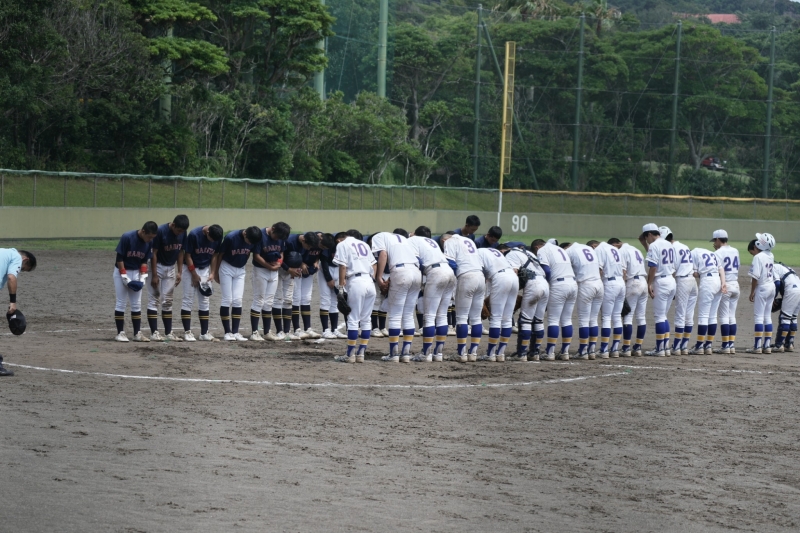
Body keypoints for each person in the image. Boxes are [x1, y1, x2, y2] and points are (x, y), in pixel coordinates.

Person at [407, 226, 456, 362]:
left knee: (429, 317)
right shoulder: (432, 241)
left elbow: (418, 262)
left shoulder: (412, 240)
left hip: (435, 272)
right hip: (449, 271)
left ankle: (426, 353)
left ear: (415, 233)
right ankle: (438, 353)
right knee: (442, 315)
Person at [373, 229, 422, 362]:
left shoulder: (379, 236)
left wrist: (379, 277)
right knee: (408, 314)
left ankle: (393, 354)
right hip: (416, 271)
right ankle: (406, 353)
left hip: (400, 271)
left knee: (395, 314)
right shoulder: (403, 239)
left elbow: (383, 254)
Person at [211, 226, 264, 341]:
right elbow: (220, 254)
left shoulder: (253, 239)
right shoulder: (231, 237)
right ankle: (227, 332)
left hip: (240, 269)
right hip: (227, 267)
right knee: (227, 299)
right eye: (249, 241)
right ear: (245, 234)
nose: (249, 244)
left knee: (238, 300)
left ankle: (235, 332)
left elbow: (251, 253)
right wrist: (216, 272)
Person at [333, 229, 377, 363]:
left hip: (356, 282)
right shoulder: (364, 244)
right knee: (366, 319)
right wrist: (371, 279)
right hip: (370, 282)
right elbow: (374, 264)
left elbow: (342, 266)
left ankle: (350, 354)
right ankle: (361, 353)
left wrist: (341, 287)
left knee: (352, 319)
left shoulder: (343, 244)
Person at [442, 233, 486, 362]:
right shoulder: (468, 241)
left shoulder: (450, 241)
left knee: (461, 318)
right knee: (476, 318)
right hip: (480, 276)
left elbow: (451, 263)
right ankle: (473, 353)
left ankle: (461, 353)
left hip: (467, 277)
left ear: (445, 239)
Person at [146, 215, 190, 341]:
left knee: (168, 301)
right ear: (173, 225)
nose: (180, 233)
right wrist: (154, 275)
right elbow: (154, 253)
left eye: (182, 231)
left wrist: (179, 271)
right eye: (178, 230)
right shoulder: (161, 231)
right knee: (154, 299)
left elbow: (180, 252)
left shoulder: (183, 232)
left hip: (170, 268)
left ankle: (168, 333)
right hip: (157, 266)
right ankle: (154, 333)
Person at [114, 221, 157, 343]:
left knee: (136, 304)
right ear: (143, 231)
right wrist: (124, 275)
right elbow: (119, 258)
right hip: (121, 271)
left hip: (136, 272)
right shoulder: (127, 237)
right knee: (121, 302)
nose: (150, 240)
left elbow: (144, 260)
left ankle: (137, 333)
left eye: (152, 237)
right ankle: (120, 333)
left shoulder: (149, 242)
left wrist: (143, 276)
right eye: (149, 237)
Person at [179, 224, 224, 341]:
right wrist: (194, 274)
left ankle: (204, 333)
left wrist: (212, 272)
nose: (213, 242)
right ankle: (187, 332)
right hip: (190, 269)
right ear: (207, 232)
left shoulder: (217, 236)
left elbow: (214, 255)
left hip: (204, 269)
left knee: (205, 300)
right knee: (188, 299)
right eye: (211, 239)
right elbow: (187, 255)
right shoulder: (194, 235)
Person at [504, 242, 548, 361]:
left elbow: (514, 272)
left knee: (525, 320)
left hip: (534, 285)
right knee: (538, 320)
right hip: (545, 284)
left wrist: (511, 292)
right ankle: (534, 353)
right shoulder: (528, 253)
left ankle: (521, 354)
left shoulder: (511, 254)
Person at [536, 238, 578, 360]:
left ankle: (550, 352)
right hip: (573, 284)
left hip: (559, 285)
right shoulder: (560, 250)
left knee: (553, 320)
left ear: (539, 246)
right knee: (567, 319)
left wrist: (546, 283)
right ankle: (565, 352)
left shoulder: (543, 250)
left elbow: (547, 270)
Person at [248, 222, 291, 341]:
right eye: (276, 236)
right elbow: (256, 256)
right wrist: (269, 266)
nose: (277, 239)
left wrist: (279, 263)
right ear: (273, 229)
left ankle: (267, 332)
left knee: (269, 302)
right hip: (261, 270)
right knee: (259, 300)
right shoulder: (261, 235)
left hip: (274, 271)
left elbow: (281, 253)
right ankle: (254, 333)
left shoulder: (281, 238)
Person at [477, 247, 518, 361]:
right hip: (514, 277)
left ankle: (490, 354)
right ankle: (500, 354)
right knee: (507, 318)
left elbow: (481, 274)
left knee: (495, 317)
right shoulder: (491, 250)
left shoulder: (477, 252)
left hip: (500, 278)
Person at [0, 248, 37, 376]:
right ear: (25, 259)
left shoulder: (3, 252)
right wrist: (13, 302)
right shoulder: (16, 257)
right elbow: (11, 277)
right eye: (22, 269)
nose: (19, 270)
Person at [640, 223, 676, 356]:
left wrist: (649, 283)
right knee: (663, 316)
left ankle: (660, 349)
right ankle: (665, 347)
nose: (647, 240)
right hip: (671, 280)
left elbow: (653, 266)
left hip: (661, 282)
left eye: (646, 237)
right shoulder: (669, 244)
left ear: (649, 234)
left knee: (659, 316)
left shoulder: (654, 246)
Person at [566, 241, 603, 359]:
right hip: (599, 284)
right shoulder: (589, 249)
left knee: (583, 320)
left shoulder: (570, 251)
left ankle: (583, 351)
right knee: (593, 319)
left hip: (586, 285)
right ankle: (591, 350)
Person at [687, 245, 726, 355]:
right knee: (712, 316)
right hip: (718, 281)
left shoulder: (693, 253)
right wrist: (723, 283)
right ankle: (708, 345)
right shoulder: (711, 253)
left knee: (703, 316)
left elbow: (695, 273)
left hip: (707, 282)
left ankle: (699, 346)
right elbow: (721, 269)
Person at [665, 229, 697, 355]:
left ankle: (677, 347)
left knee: (680, 314)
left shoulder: (671, 248)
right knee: (689, 315)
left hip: (682, 281)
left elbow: (672, 269)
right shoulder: (684, 246)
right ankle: (684, 346)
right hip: (692, 281)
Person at [596, 239, 627, 357]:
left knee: (606, 317)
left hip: (610, 283)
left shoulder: (600, 249)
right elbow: (624, 271)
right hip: (621, 283)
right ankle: (615, 349)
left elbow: (599, 270)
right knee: (617, 316)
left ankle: (604, 350)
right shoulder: (615, 250)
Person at [290, 231, 323, 339]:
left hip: (309, 272)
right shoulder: (300, 242)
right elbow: (293, 256)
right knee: (296, 298)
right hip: (297, 270)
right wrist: (301, 263)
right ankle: (297, 329)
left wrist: (316, 261)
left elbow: (318, 254)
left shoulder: (316, 242)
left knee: (306, 299)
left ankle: (308, 328)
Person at [712, 230, 740, 354]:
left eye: (714, 240)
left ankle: (725, 346)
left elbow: (717, 271)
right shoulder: (735, 250)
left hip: (725, 285)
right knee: (731, 316)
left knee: (724, 317)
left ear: (718, 239)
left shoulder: (717, 253)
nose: (714, 243)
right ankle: (731, 345)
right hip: (736, 285)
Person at [747, 233, 776, 354]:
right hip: (771, 287)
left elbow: (755, 277)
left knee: (759, 317)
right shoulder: (771, 255)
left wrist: (752, 292)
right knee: (767, 317)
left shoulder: (758, 257)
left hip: (762, 287)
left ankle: (757, 346)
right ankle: (767, 346)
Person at [317, 232, 348, 340]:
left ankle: (334, 329)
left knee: (335, 300)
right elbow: (324, 261)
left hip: (339, 271)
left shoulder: (346, 246)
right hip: (326, 271)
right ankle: (325, 330)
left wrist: (343, 278)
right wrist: (329, 278)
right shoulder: (331, 244)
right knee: (325, 299)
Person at [619, 239, 647, 356]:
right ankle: (638, 347)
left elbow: (624, 272)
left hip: (633, 283)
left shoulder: (622, 251)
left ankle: (626, 348)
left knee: (628, 317)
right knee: (641, 317)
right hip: (644, 282)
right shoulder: (636, 250)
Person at [772, 262, 800, 352]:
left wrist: (773, 298)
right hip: (798, 289)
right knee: (793, 317)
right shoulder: (784, 267)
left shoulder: (773, 267)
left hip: (791, 290)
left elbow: (777, 284)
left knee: (785, 317)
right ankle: (789, 344)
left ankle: (779, 345)